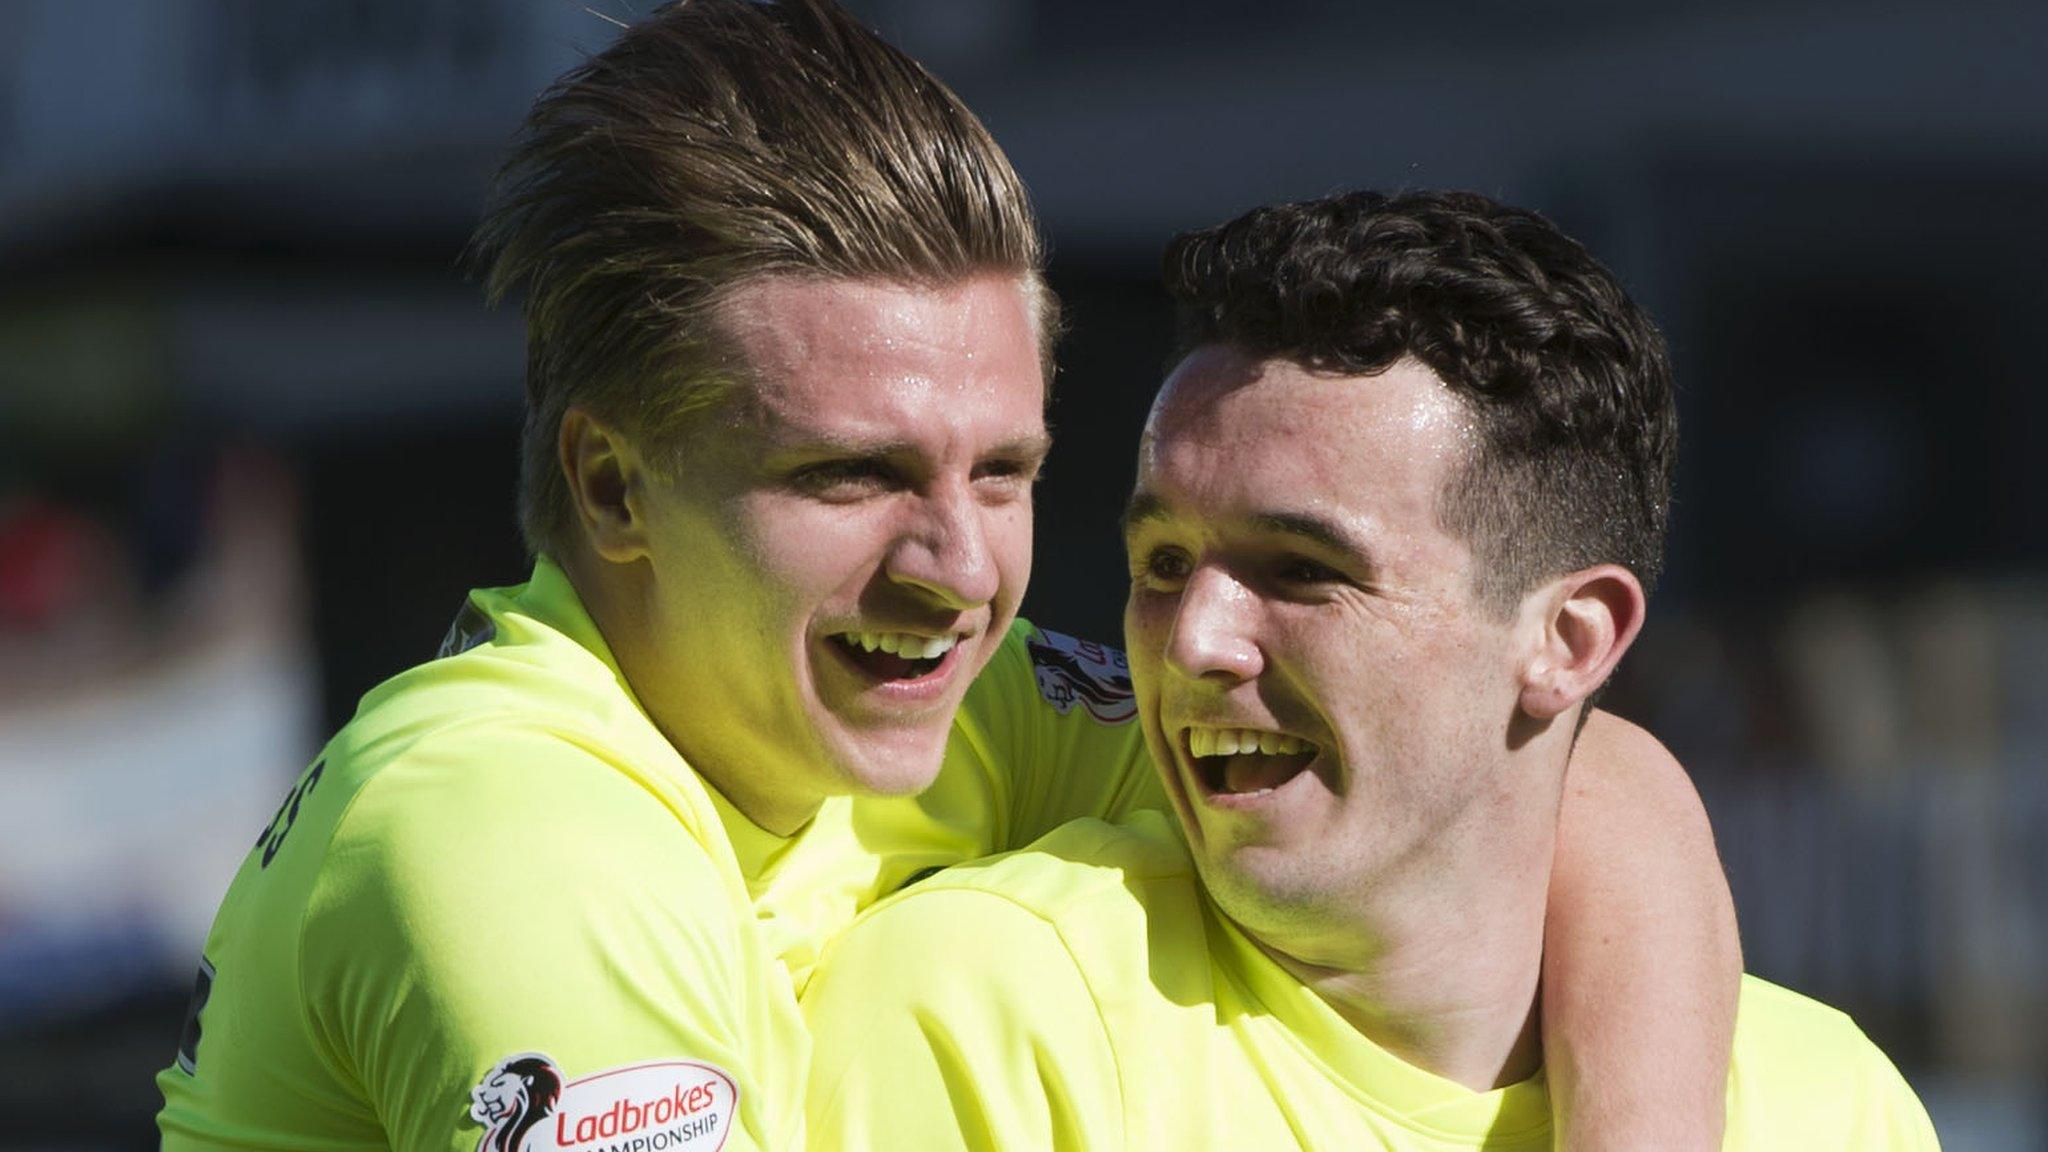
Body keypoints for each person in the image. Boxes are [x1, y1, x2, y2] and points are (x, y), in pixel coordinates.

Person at [155, 5, 1738, 1150]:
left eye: (1005, 470)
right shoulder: (503, 823)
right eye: (851, 475)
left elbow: (1559, 772)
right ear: (614, 486)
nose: (961, 570)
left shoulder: (931, 708)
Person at [800, 190, 1939, 1151]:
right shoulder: (988, 1007)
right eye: (1160, 561)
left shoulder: (1828, 1110)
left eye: (1300, 569)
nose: (1194, 640)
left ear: (1570, 642)